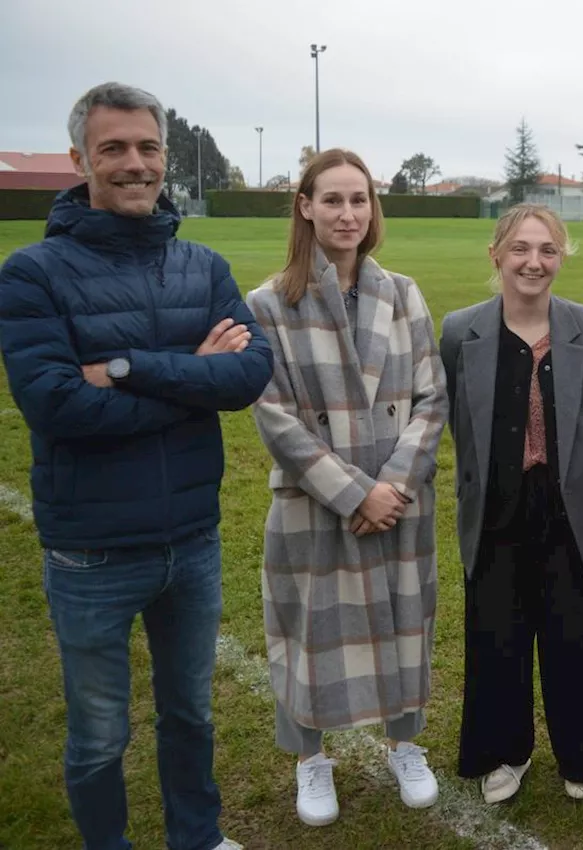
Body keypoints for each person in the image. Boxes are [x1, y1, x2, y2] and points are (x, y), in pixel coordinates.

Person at [0, 82, 271, 850]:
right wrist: (190, 377)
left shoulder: (203, 265)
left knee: (190, 711)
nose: (134, 163)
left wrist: (120, 367)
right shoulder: (33, 275)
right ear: (81, 158)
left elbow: (248, 377)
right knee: (98, 734)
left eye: (147, 147)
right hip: (91, 552)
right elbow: (58, 407)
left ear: (164, 157)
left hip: (192, 539)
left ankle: (199, 836)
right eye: (113, 147)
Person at [245, 148, 449, 827]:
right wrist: (353, 492)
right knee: (310, 630)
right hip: (318, 506)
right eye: (332, 200)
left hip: (399, 504)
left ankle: (404, 745)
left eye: (359, 199)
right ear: (305, 206)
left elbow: (431, 398)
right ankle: (310, 759)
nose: (347, 213)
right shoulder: (268, 305)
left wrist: (391, 486)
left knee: (403, 624)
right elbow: (273, 415)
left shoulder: (403, 294)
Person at [439, 204, 583, 804]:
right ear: (496, 255)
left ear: (561, 257)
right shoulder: (461, 330)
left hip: (569, 509)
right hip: (496, 507)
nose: (532, 262)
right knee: (497, 637)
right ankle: (503, 752)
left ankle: (580, 753)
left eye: (546, 249)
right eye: (519, 248)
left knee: (574, 635)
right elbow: (460, 424)